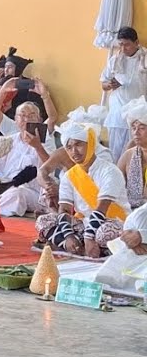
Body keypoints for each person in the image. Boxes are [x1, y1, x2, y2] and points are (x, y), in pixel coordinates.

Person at [35, 107, 131, 257]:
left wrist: (88, 237)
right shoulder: (70, 175)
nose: (74, 152)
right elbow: (65, 210)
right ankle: (77, 246)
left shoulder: (109, 170)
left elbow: (102, 208)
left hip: (113, 221)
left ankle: (87, 245)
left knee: (103, 234)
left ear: (90, 144)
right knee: (44, 220)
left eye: (79, 145)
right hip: (85, 223)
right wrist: (68, 236)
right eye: (69, 147)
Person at [101, 26, 147, 160]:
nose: (123, 49)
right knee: (115, 155)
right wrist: (109, 85)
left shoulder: (145, 59)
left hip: (139, 118)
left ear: (136, 43)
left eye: (127, 45)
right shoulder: (115, 60)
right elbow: (103, 84)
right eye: (120, 44)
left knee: (136, 156)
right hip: (117, 116)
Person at [119, 97, 147, 208]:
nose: (136, 132)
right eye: (133, 128)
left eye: (141, 128)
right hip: (130, 212)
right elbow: (115, 184)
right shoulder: (128, 155)